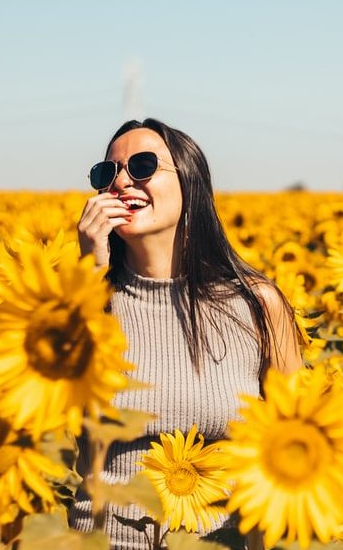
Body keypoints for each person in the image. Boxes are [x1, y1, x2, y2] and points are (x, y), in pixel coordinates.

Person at [72, 118, 303, 546]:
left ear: (190, 180)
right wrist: (89, 279)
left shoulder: (256, 305)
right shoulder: (79, 302)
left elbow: (294, 441)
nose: (122, 181)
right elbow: (59, 428)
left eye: (142, 166)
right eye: (108, 173)